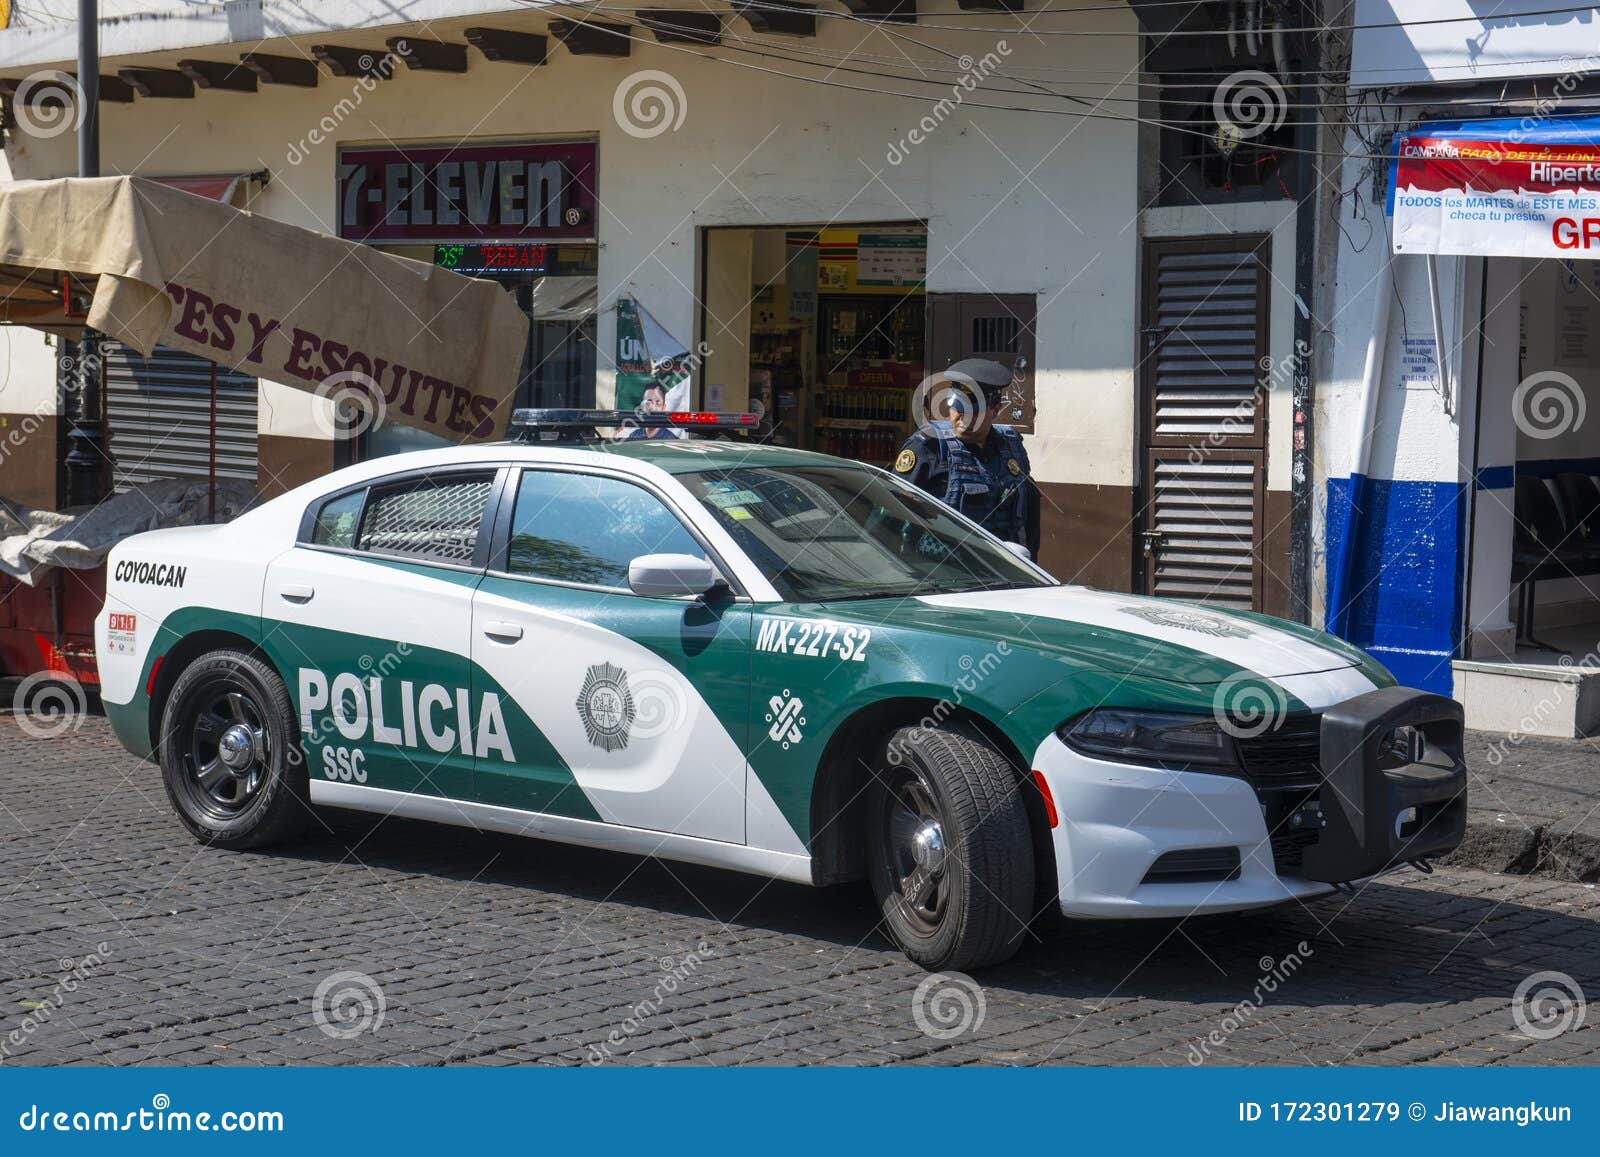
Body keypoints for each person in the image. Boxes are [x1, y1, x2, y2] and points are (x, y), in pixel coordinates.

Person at [893, 358, 1040, 557]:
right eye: (957, 408)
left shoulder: (1012, 448)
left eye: (973, 412)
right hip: (939, 572)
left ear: (995, 409)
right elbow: (892, 511)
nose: (962, 419)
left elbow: (1029, 517)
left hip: (1001, 571)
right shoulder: (929, 447)